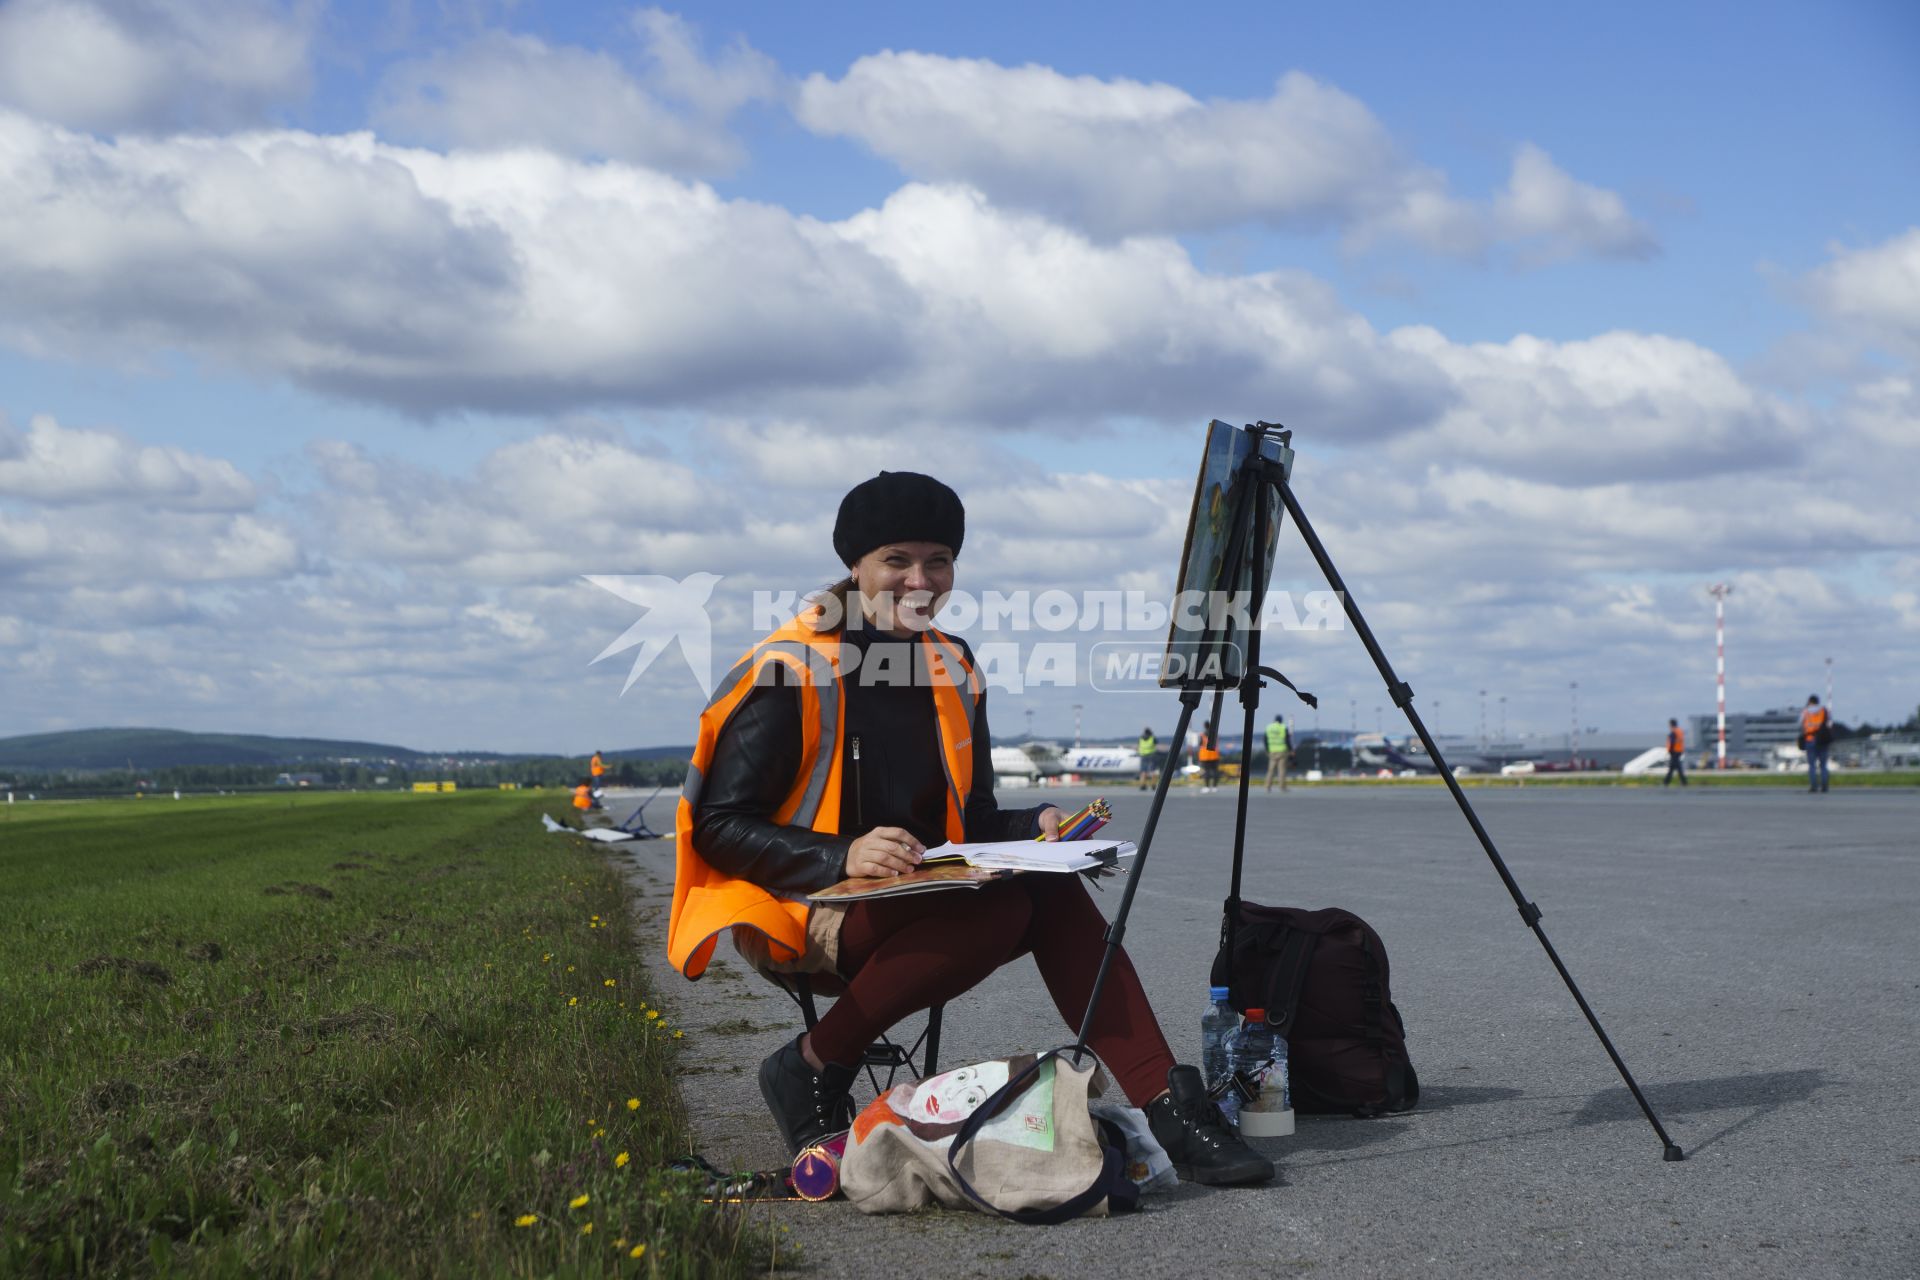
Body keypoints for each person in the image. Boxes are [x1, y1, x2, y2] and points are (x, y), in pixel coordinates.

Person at [669, 471, 1271, 1186]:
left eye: (939, 560)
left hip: (929, 894)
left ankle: (1168, 1105)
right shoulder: (788, 669)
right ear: (854, 566)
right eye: (897, 560)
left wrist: (1038, 826)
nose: (920, 580)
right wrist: (843, 853)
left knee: (1041, 890)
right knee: (1008, 904)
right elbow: (716, 825)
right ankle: (809, 1062)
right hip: (809, 909)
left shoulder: (954, 665)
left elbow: (971, 817)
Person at [1800, 695, 1831, 793]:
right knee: (1823, 765)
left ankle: (1814, 786)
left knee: (1812, 765)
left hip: (1810, 739)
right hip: (1822, 739)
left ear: (1809, 701)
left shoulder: (1805, 711)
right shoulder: (1823, 710)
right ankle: (1824, 786)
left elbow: (1800, 723)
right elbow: (1829, 722)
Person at [1264, 714, 1290, 793]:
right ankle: (1282, 787)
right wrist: (1291, 750)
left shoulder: (1269, 727)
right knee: (1281, 770)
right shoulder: (1283, 727)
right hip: (1282, 751)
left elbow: (1265, 740)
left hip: (1272, 751)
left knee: (1271, 770)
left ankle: (1267, 787)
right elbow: (1287, 740)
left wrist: (1267, 750)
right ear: (1281, 720)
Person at [1663, 720, 1687, 787]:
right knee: (1675, 767)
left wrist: (1669, 751)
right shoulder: (1679, 731)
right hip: (1679, 751)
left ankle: (1666, 782)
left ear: (1671, 725)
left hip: (1674, 752)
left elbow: (1672, 742)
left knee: (1674, 767)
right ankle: (1667, 782)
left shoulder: (1674, 732)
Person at [1197, 727, 1221, 794]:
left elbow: (1200, 744)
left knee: (1207, 772)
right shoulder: (1215, 735)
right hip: (1214, 755)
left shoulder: (1202, 735)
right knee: (1215, 772)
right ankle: (1214, 787)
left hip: (1205, 756)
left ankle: (1207, 787)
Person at [1136, 727, 1157, 791]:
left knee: (1143, 771)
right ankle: (1153, 785)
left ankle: (1143, 785)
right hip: (1151, 755)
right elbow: (1156, 743)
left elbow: (1139, 745)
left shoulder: (1140, 738)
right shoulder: (1152, 738)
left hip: (1143, 755)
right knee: (1152, 770)